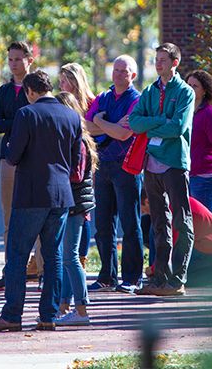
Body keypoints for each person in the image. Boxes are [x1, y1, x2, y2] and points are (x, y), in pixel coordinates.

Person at [0, 70, 81, 332]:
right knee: (53, 256)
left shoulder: (26, 114)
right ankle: (48, 315)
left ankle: (12, 315)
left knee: (17, 254)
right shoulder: (71, 115)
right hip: (61, 195)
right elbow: (74, 158)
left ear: (29, 91)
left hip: (31, 194)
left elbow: (13, 156)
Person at [128, 43, 195, 297]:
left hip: (174, 163)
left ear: (175, 62)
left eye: (163, 59)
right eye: (156, 59)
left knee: (181, 220)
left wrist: (150, 126)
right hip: (151, 164)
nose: (158, 64)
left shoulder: (185, 92)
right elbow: (134, 122)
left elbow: (177, 127)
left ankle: (178, 279)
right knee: (158, 223)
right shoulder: (149, 91)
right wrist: (158, 122)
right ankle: (159, 278)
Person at [85, 55, 142, 293]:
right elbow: (85, 125)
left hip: (126, 166)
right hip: (103, 165)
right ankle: (107, 275)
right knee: (103, 224)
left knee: (130, 223)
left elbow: (123, 135)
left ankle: (132, 278)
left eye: (124, 71)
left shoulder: (137, 100)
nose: (118, 74)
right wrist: (109, 124)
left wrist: (102, 122)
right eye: (116, 70)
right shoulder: (104, 97)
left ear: (133, 75)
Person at [0, 41, 33, 291]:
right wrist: (19, 121)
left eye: (18, 59)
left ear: (29, 60)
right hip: (8, 158)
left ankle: (39, 269)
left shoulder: (36, 88)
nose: (14, 63)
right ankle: (10, 271)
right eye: (10, 59)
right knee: (10, 218)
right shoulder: (4, 92)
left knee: (36, 217)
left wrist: (13, 121)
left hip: (33, 159)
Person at [54, 92, 96, 326]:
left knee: (70, 256)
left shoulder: (77, 141)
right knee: (65, 257)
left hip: (75, 205)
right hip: (71, 203)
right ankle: (64, 305)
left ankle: (81, 310)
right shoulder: (72, 138)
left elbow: (76, 175)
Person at [58, 62, 96, 272]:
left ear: (75, 80)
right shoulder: (61, 102)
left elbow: (96, 128)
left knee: (84, 209)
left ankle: (81, 257)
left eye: (65, 80)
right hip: (68, 161)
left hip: (87, 160)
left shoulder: (91, 103)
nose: (62, 84)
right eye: (61, 80)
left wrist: (92, 126)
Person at [185, 70, 212, 213]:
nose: (190, 88)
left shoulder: (209, 114)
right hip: (186, 173)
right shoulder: (184, 112)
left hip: (203, 176)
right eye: (188, 84)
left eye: (195, 86)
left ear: (205, 91)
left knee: (203, 217)